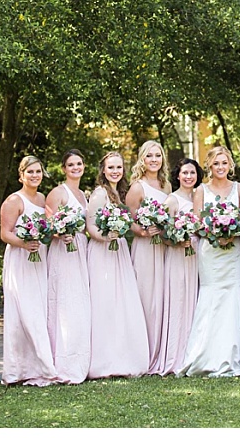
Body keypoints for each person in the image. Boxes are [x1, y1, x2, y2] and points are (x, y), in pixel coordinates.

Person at [180, 145, 240, 377]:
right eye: (216, 163)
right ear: (209, 166)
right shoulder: (201, 191)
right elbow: (198, 224)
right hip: (210, 252)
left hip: (233, 252)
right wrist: (216, 234)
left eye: (224, 163)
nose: (220, 167)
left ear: (230, 165)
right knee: (212, 297)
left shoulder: (239, 189)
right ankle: (204, 354)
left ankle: (234, 354)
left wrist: (232, 235)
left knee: (233, 297)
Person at [85, 151, 149, 379]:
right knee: (105, 302)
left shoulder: (120, 193)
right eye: (111, 167)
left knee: (121, 302)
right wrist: (106, 237)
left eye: (119, 167)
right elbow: (90, 225)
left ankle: (123, 355)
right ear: (103, 170)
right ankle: (104, 361)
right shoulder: (99, 193)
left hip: (119, 248)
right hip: (103, 250)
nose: (115, 171)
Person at [0, 156, 60, 386]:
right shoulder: (14, 200)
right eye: (30, 172)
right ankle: (20, 369)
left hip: (39, 259)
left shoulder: (43, 198)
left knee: (39, 310)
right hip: (20, 260)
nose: (35, 175)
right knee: (24, 312)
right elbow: (5, 233)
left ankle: (35, 365)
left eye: (38, 171)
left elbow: (47, 227)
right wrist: (24, 243)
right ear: (21, 175)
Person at [43, 149, 91, 384]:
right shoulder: (57, 193)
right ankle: (61, 360)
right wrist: (61, 233)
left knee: (80, 303)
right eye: (71, 164)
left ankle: (80, 357)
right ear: (64, 168)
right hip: (63, 251)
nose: (76, 168)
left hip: (80, 249)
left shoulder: (83, 194)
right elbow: (47, 227)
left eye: (79, 164)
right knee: (64, 302)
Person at [125, 139, 171, 374]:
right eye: (149, 156)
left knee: (162, 297)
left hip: (164, 247)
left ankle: (161, 351)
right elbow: (128, 221)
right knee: (146, 297)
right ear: (142, 159)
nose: (154, 160)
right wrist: (144, 231)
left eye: (158, 155)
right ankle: (142, 352)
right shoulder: (137, 187)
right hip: (145, 248)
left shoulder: (166, 185)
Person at [163, 157, 201, 374]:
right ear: (177, 175)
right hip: (179, 256)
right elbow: (164, 234)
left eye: (192, 173)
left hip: (197, 256)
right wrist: (177, 240)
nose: (189, 177)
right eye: (185, 173)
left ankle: (194, 353)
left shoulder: (200, 197)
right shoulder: (172, 200)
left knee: (196, 302)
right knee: (179, 301)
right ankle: (176, 356)